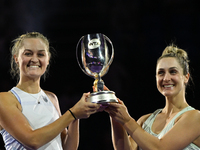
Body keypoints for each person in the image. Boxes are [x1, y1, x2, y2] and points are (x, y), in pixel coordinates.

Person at [0, 32, 101, 150]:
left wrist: (76, 117)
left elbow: (68, 148)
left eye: (41, 54)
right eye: (28, 53)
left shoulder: (51, 98)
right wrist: (72, 113)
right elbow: (33, 140)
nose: (34, 59)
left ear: (48, 60)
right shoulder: (5, 99)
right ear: (16, 58)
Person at [104, 44, 200, 150]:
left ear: (186, 77)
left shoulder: (196, 117)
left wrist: (127, 121)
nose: (166, 78)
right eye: (161, 73)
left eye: (173, 72)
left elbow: (161, 148)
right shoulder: (145, 121)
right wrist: (115, 115)